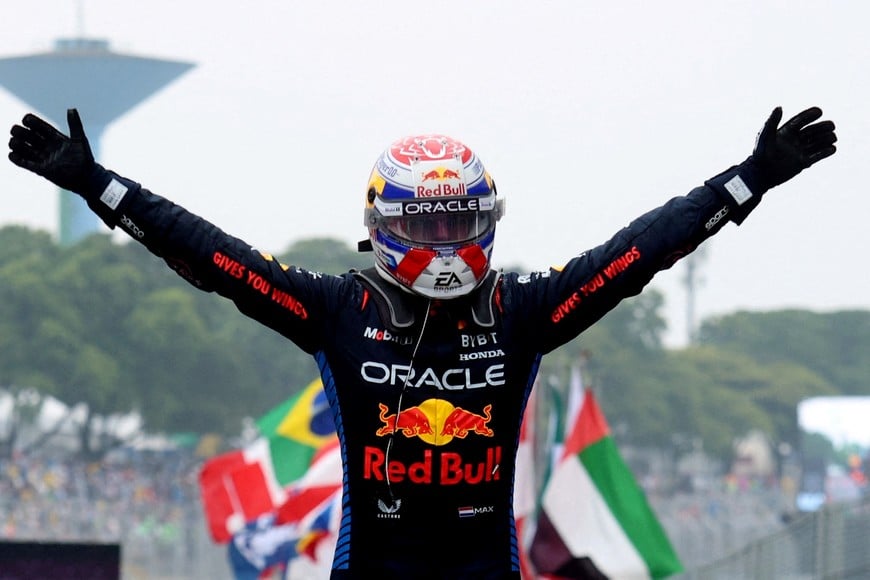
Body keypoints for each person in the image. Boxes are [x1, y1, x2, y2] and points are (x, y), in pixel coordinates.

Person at [7, 106, 836, 579]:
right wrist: (99, 187)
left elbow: (639, 254)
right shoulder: (334, 309)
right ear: (381, 228)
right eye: (424, 222)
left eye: (459, 220)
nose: (444, 239)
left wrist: (748, 178)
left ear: (485, 222)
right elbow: (214, 258)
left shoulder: (526, 309)